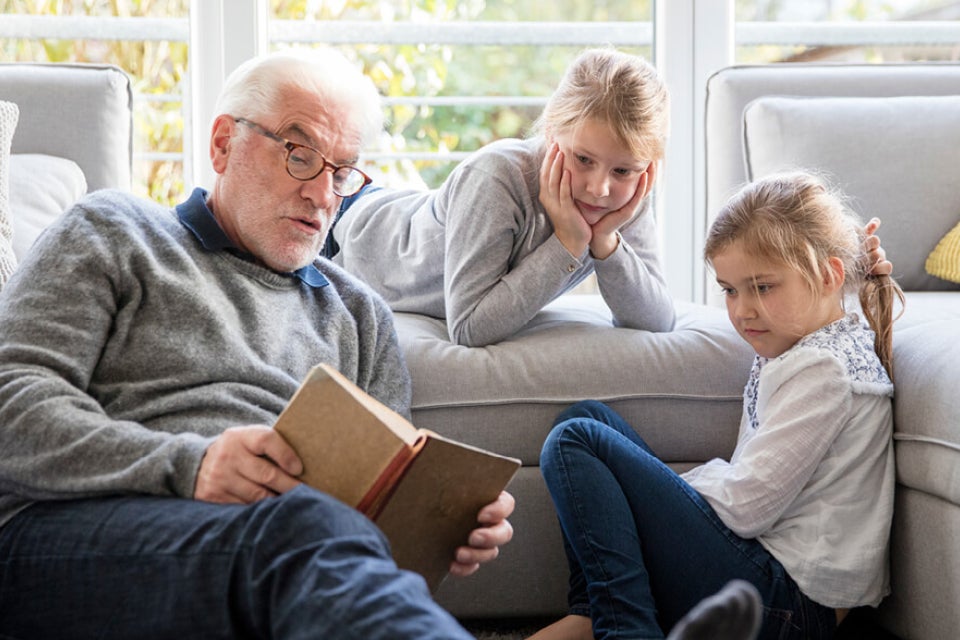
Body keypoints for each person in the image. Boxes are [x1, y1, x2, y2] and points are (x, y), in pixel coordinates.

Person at [0, 47, 514, 639]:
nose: (324, 196)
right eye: (301, 156)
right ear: (222, 143)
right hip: (68, 538)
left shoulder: (359, 315)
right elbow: (13, 407)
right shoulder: (115, 230)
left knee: (308, 535)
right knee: (295, 530)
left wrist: (439, 525)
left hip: (273, 555)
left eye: (342, 173)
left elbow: (363, 542)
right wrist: (190, 467)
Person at [531, 171, 904, 640]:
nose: (743, 310)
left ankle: (625, 628)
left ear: (829, 275)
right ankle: (595, 611)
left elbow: (746, 507)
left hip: (787, 606)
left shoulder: (824, 370)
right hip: (768, 583)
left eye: (762, 287)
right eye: (730, 290)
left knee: (576, 440)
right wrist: (650, 489)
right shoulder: (801, 346)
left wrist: (664, 486)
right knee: (585, 418)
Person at [329, 47, 677, 347]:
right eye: (583, 159)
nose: (599, 189)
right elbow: (469, 328)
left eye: (622, 171)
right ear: (551, 132)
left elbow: (657, 320)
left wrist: (605, 242)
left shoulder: (624, 197)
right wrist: (569, 244)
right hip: (342, 226)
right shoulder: (496, 177)